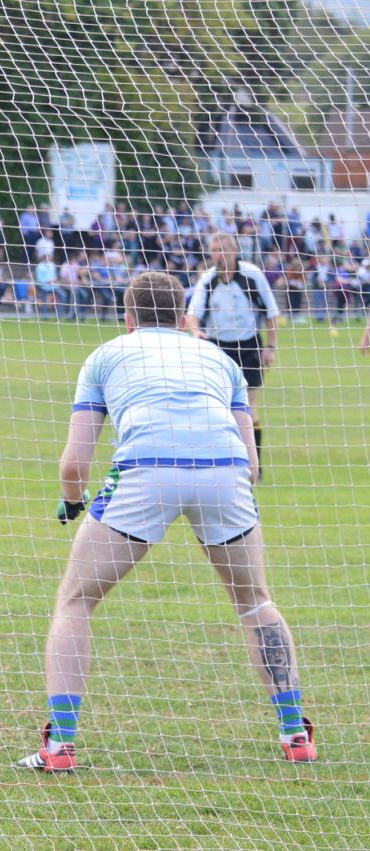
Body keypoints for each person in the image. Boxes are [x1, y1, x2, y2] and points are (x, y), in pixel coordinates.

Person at [17, 271, 314, 773]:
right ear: (183, 318)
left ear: (127, 318)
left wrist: (74, 502)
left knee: (77, 601)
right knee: (254, 601)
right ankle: (295, 734)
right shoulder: (220, 358)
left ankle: (60, 746)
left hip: (146, 471)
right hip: (224, 472)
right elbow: (252, 462)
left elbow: (73, 465)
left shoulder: (106, 355)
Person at [186, 233, 281, 478]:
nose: (218, 254)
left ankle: (254, 467)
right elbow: (192, 314)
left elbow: (271, 313)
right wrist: (195, 331)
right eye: (214, 250)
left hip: (249, 346)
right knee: (216, 406)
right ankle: (218, 463)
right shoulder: (208, 280)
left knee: (249, 406)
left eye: (222, 249)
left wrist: (270, 347)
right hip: (217, 348)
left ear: (235, 250)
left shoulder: (251, 275)